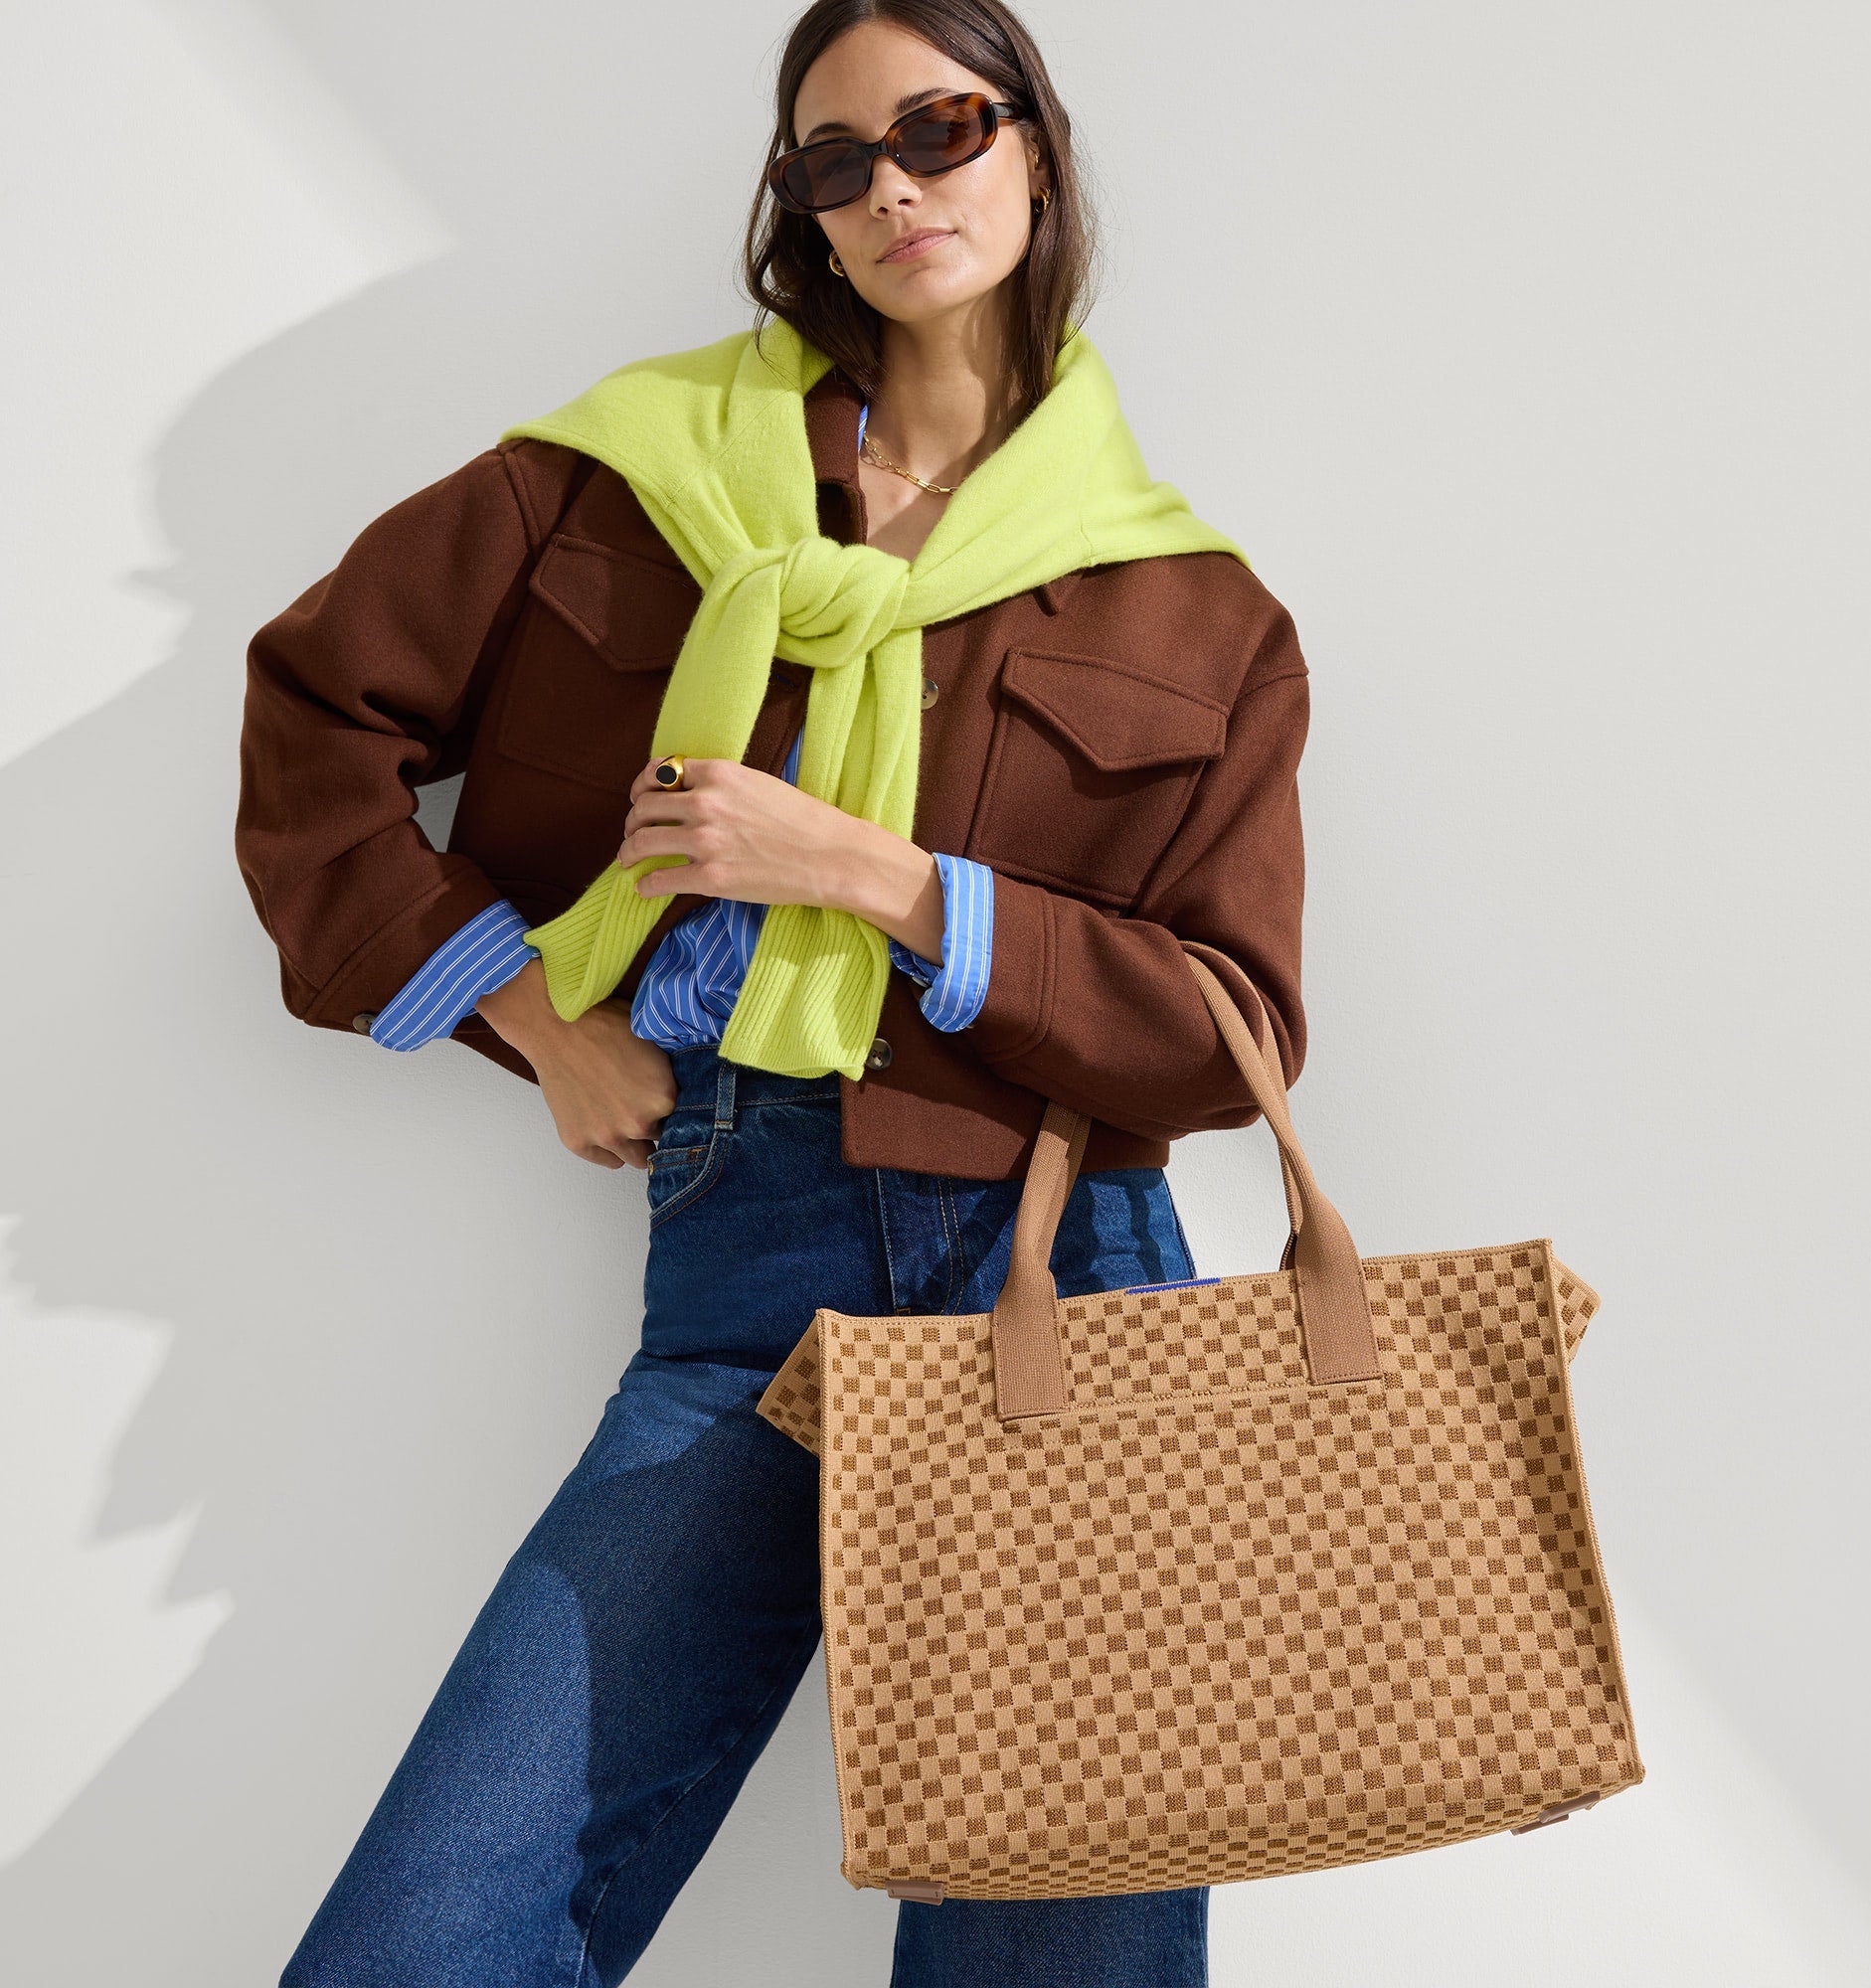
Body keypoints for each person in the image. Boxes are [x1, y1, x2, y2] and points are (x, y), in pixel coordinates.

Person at [236, 2, 1312, 1982]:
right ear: (801, 210)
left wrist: (876, 878)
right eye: (836, 159)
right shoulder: (624, 476)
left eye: (940, 129)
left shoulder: (1195, 608)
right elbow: (318, 719)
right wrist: (527, 1010)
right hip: (747, 1252)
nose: (892, 187)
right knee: (428, 1934)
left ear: (1035, 146)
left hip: (1073, 1282)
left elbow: (1227, 1031)